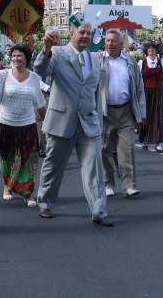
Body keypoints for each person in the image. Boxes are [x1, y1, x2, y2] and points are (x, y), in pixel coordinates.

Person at [34, 23, 113, 227]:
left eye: (89, 33)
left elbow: (95, 92)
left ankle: (99, 210)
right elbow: (40, 69)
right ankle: (45, 201)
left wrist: (98, 120)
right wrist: (46, 49)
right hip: (62, 121)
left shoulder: (95, 59)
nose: (85, 36)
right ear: (72, 34)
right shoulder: (58, 53)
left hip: (88, 123)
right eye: (82, 32)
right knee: (54, 165)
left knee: (94, 168)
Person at [0, 45, 46, 207]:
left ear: (26, 58)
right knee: (8, 158)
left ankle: (28, 193)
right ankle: (7, 187)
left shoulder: (33, 78)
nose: (16, 59)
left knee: (29, 158)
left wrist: (46, 123)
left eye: (19, 56)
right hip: (6, 124)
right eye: (13, 56)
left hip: (28, 124)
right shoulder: (3, 75)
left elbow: (39, 103)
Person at [96, 29, 146, 198]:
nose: (109, 44)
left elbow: (139, 88)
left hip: (125, 111)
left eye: (113, 41)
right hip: (105, 112)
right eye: (107, 40)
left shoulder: (130, 61)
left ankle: (129, 185)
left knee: (127, 149)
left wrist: (141, 112)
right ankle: (108, 183)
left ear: (120, 43)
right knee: (104, 149)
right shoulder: (98, 60)